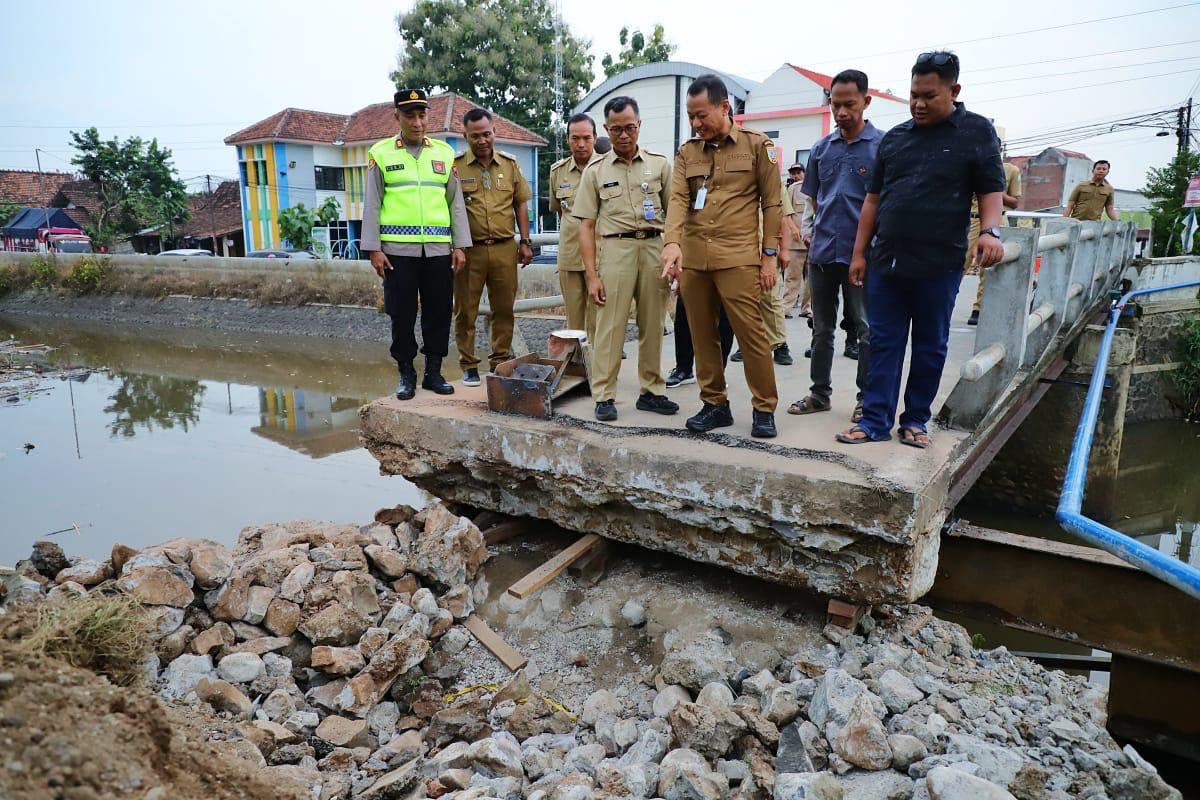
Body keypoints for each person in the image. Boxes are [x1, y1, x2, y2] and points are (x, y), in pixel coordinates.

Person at [836, 51, 1005, 448]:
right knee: (882, 343)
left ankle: (915, 420)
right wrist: (860, 253)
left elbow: (990, 190)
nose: (918, 104)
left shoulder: (976, 132)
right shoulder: (895, 139)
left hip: (939, 263)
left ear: (954, 90)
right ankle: (875, 420)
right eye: (914, 95)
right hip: (887, 262)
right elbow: (873, 201)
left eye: (929, 95)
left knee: (930, 346)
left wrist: (991, 232)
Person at [662, 74, 782, 438]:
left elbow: (773, 202)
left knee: (751, 335)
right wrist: (672, 243)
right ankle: (715, 404)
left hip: (738, 259)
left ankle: (764, 408)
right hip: (696, 261)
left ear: (724, 107)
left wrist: (770, 255)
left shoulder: (758, 147)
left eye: (702, 115)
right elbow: (680, 199)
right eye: (691, 117)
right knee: (702, 336)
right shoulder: (687, 153)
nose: (696, 124)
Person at [362, 89, 470, 400]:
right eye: (410, 115)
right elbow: (372, 204)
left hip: (438, 251)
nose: (417, 122)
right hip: (397, 253)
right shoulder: (380, 154)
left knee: (439, 311)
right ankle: (406, 373)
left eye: (422, 115)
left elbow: (455, 203)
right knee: (402, 313)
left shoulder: (444, 153)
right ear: (397, 117)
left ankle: (433, 372)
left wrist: (460, 245)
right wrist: (374, 249)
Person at [574, 96, 675, 421]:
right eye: (616, 129)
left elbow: (675, 215)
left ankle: (652, 391)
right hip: (615, 250)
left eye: (629, 128)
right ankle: (604, 394)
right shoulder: (595, 171)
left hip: (654, 248)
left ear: (639, 126)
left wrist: (676, 256)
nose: (623, 135)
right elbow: (586, 226)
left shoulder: (659, 165)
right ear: (607, 129)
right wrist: (591, 275)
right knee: (609, 326)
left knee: (653, 323)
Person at [789, 69, 878, 424]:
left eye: (849, 105)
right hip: (823, 253)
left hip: (864, 257)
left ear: (866, 102)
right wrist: (812, 233)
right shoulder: (822, 149)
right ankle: (819, 393)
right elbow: (813, 200)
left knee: (866, 327)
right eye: (835, 104)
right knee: (821, 328)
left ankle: (865, 398)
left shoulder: (882, 147)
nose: (841, 112)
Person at [453, 108, 534, 386]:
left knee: (504, 309)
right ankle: (468, 365)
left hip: (504, 249)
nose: (482, 140)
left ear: (494, 133)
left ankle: (500, 361)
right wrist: (456, 246)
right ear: (466, 136)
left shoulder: (510, 165)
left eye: (487, 134)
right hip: (469, 250)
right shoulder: (455, 167)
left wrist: (525, 241)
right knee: (466, 310)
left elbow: (521, 203)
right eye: (475, 136)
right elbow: (449, 209)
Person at [730, 173, 795, 366]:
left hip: (765, 250)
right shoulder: (733, 176)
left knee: (770, 297)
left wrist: (784, 250)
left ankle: (780, 345)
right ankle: (746, 343)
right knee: (743, 301)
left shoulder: (772, 179)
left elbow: (782, 217)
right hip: (737, 249)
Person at [548, 113, 602, 341]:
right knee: (574, 323)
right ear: (567, 138)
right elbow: (559, 210)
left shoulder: (607, 167)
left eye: (587, 138)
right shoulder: (557, 171)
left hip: (601, 256)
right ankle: (579, 372)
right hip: (570, 256)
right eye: (575, 138)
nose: (581, 144)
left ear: (595, 138)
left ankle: (601, 373)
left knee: (599, 320)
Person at [967, 153, 1022, 325]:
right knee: (958, 261)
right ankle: (946, 303)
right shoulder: (968, 163)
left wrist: (993, 191)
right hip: (970, 218)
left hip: (996, 219)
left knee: (989, 264)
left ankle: (979, 308)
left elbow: (1015, 202)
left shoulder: (1011, 170)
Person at [782, 163, 811, 318]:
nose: (795, 175)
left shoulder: (816, 186)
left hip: (813, 241)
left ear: (805, 172)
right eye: (793, 172)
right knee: (792, 277)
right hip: (795, 242)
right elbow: (786, 212)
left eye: (798, 172)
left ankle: (807, 308)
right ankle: (786, 308)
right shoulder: (793, 189)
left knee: (811, 280)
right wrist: (793, 229)